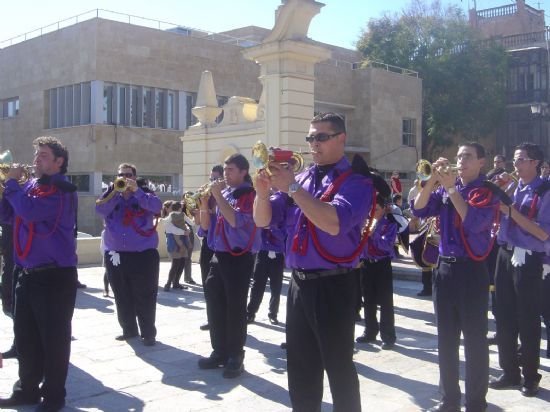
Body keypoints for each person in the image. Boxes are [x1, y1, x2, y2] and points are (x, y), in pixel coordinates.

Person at [254, 112, 375, 411]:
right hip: (299, 284)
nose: (313, 143)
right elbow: (262, 219)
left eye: (321, 137)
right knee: (301, 366)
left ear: (341, 139)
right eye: (310, 137)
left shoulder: (357, 181)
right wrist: (261, 192)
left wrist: (292, 188)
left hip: (335, 283)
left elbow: (333, 222)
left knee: (338, 369)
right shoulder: (304, 176)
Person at [412, 142, 498, 412]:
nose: (460, 161)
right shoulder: (448, 188)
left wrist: (450, 188)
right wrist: (431, 180)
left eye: (468, 157)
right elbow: (418, 208)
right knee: (445, 341)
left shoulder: (487, 191)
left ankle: (475, 403)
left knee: (475, 342)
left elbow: (473, 222)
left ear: (481, 162)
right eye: (458, 156)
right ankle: (449, 400)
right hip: (444, 269)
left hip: (471, 270)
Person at [0, 136, 78, 412]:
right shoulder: (30, 186)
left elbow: (30, 212)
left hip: (55, 277)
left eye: (43, 155)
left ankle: (54, 397)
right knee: (25, 337)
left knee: (54, 341)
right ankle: (27, 390)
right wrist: (4, 190)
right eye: (36, 154)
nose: (36, 160)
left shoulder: (63, 190)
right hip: (27, 273)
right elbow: (8, 216)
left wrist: (10, 184)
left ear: (59, 162)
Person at [489, 143, 550, 397]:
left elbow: (543, 232)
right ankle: (509, 371)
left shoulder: (545, 191)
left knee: (527, 319)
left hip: (529, 258)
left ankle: (530, 376)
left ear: (535, 162)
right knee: (503, 314)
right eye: (515, 159)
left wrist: (509, 210)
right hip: (504, 254)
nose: (516, 164)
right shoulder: (512, 187)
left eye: (522, 159)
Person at [197, 154, 260, 379]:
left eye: (231, 170)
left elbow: (235, 220)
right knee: (214, 304)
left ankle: (235, 356)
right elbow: (206, 227)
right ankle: (219, 352)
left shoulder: (248, 194)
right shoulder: (223, 194)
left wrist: (216, 196)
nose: (225, 174)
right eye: (225, 169)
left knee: (235, 308)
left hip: (239, 258)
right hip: (218, 255)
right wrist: (205, 206)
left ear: (243, 172)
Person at [95, 163, 161, 347]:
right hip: (116, 254)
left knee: (145, 295)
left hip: (143, 255)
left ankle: (148, 333)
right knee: (121, 294)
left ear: (134, 176)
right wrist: (116, 195)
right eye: (121, 174)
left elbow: (157, 208)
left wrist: (136, 191)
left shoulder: (146, 193)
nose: (124, 177)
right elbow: (99, 210)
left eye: (128, 174)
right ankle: (129, 330)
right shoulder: (110, 194)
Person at [356, 194, 398, 349]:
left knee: (386, 302)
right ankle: (370, 331)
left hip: (382, 265)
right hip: (367, 264)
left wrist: (373, 235)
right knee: (368, 300)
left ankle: (388, 336)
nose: (372, 213)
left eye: (376, 209)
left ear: (383, 210)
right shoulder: (364, 223)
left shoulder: (389, 225)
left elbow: (387, 246)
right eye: (371, 209)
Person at [194, 164, 223, 331]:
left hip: (221, 246)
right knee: (207, 284)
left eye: (215, 179)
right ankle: (212, 318)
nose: (211, 182)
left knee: (220, 286)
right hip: (208, 243)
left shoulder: (224, 197)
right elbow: (199, 223)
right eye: (210, 179)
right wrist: (199, 205)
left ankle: (223, 319)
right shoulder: (206, 197)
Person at [246, 216, 286, 325]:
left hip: (277, 256)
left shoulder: (282, 219)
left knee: (276, 287)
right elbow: (254, 232)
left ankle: (273, 314)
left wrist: (272, 226)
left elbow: (282, 236)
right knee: (257, 286)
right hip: (262, 253)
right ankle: (250, 312)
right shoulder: (261, 217)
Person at [162, 201, 190, 291]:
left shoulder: (179, 217)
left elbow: (185, 225)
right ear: (167, 208)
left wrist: (187, 229)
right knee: (175, 263)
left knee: (182, 263)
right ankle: (168, 283)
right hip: (174, 244)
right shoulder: (167, 219)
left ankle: (176, 283)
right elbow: (172, 229)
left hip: (182, 242)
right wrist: (184, 232)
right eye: (171, 206)